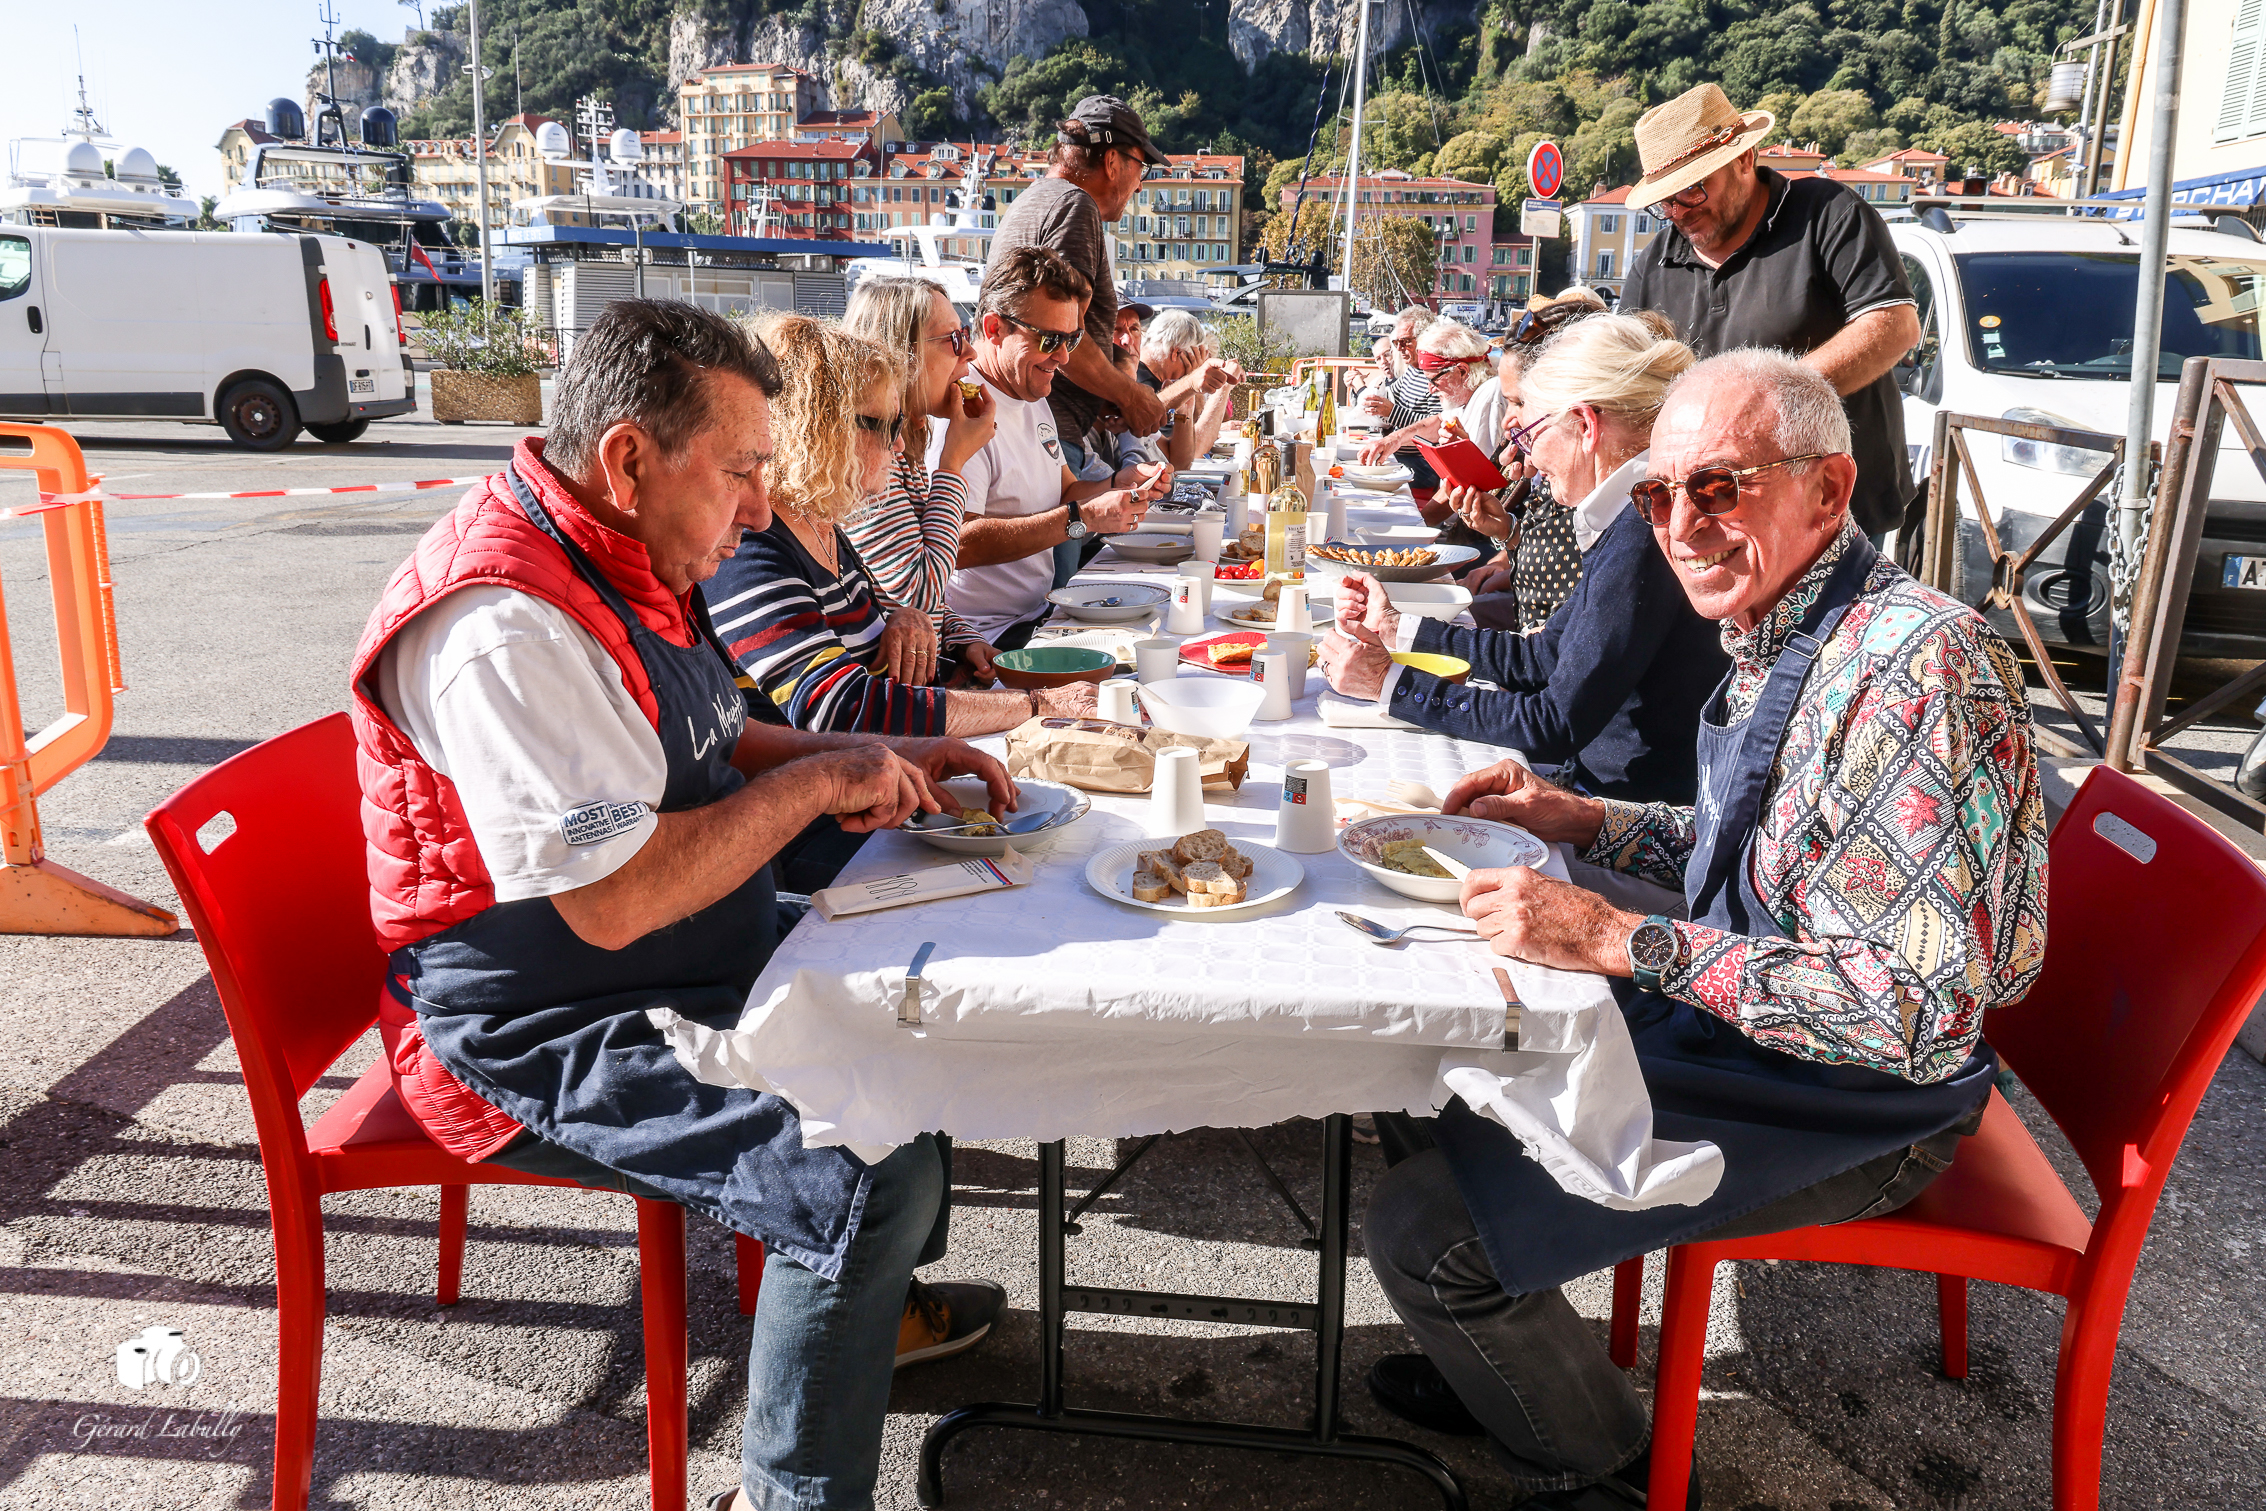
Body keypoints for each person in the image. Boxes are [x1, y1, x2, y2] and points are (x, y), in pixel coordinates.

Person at [348, 300, 1013, 1511]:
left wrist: (859, 743)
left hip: (662, 946)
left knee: (930, 999)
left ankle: (862, 1319)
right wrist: (823, 775)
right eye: (747, 469)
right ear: (628, 457)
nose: (763, 504)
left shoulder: (619, 539)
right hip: (534, 1021)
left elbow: (704, 730)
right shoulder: (504, 626)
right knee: (864, 1168)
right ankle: (793, 1488)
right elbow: (615, 899)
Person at [1360, 350, 2048, 1509]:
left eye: (1719, 487)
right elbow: (1764, 843)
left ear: (1829, 491)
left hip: (1860, 1098)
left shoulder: (1915, 669)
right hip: (1767, 1030)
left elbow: (1906, 1007)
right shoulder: (1788, 620)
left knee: (1425, 1231)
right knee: (1420, 1066)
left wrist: (1621, 939)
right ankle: (1513, 1358)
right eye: (1656, 493)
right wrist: (1589, 819)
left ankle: (1606, 1452)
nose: (1680, 524)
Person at [1318, 314, 1726, 805]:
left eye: (1530, 433)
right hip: (1599, 787)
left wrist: (1388, 683)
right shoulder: (1630, 515)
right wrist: (1397, 628)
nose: (1523, 451)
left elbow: (1552, 723)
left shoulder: (1642, 533)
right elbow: (1543, 656)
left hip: (1622, 815)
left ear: (1586, 426)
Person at [707, 314, 1096, 737]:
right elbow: (842, 707)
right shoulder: (748, 550)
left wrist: (930, 629)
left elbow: (899, 610)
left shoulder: (822, 528)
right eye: (887, 424)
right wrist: (1037, 704)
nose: (897, 442)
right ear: (823, 431)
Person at [1620, 83, 1923, 542]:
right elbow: (1630, 382)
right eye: (1665, 200)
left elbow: (1894, 326)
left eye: (1694, 190)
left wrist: (1763, 406)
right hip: (1716, 515)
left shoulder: (1829, 214)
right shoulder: (1653, 262)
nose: (1679, 211)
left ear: (1745, 158)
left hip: (1834, 508)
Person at [944, 245, 1171, 649]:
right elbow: (956, 542)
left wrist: (1121, 483)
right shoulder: (964, 405)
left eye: (1072, 338)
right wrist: (1079, 518)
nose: (1064, 357)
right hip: (983, 636)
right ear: (994, 328)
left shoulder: (1032, 393)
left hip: (1040, 615)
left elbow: (1066, 491)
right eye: (1050, 339)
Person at [984, 94, 1171, 446]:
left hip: (1027, 426)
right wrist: (1130, 396)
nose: (1141, 184)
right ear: (1113, 161)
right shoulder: (1075, 205)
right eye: (1141, 167)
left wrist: (1105, 393)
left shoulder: (1032, 198)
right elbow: (1063, 331)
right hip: (1048, 432)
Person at [838, 275, 998, 674]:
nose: (972, 353)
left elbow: (905, 596)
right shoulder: (866, 458)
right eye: (954, 339)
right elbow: (919, 594)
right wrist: (954, 462)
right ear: (900, 355)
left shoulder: (904, 444)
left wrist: (963, 639)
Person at [1356, 319, 1496, 468]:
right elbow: (1438, 421)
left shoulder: (1490, 395)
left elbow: (1483, 475)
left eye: (1434, 380)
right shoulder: (1462, 394)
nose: (1431, 389)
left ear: (1462, 371)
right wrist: (1393, 440)